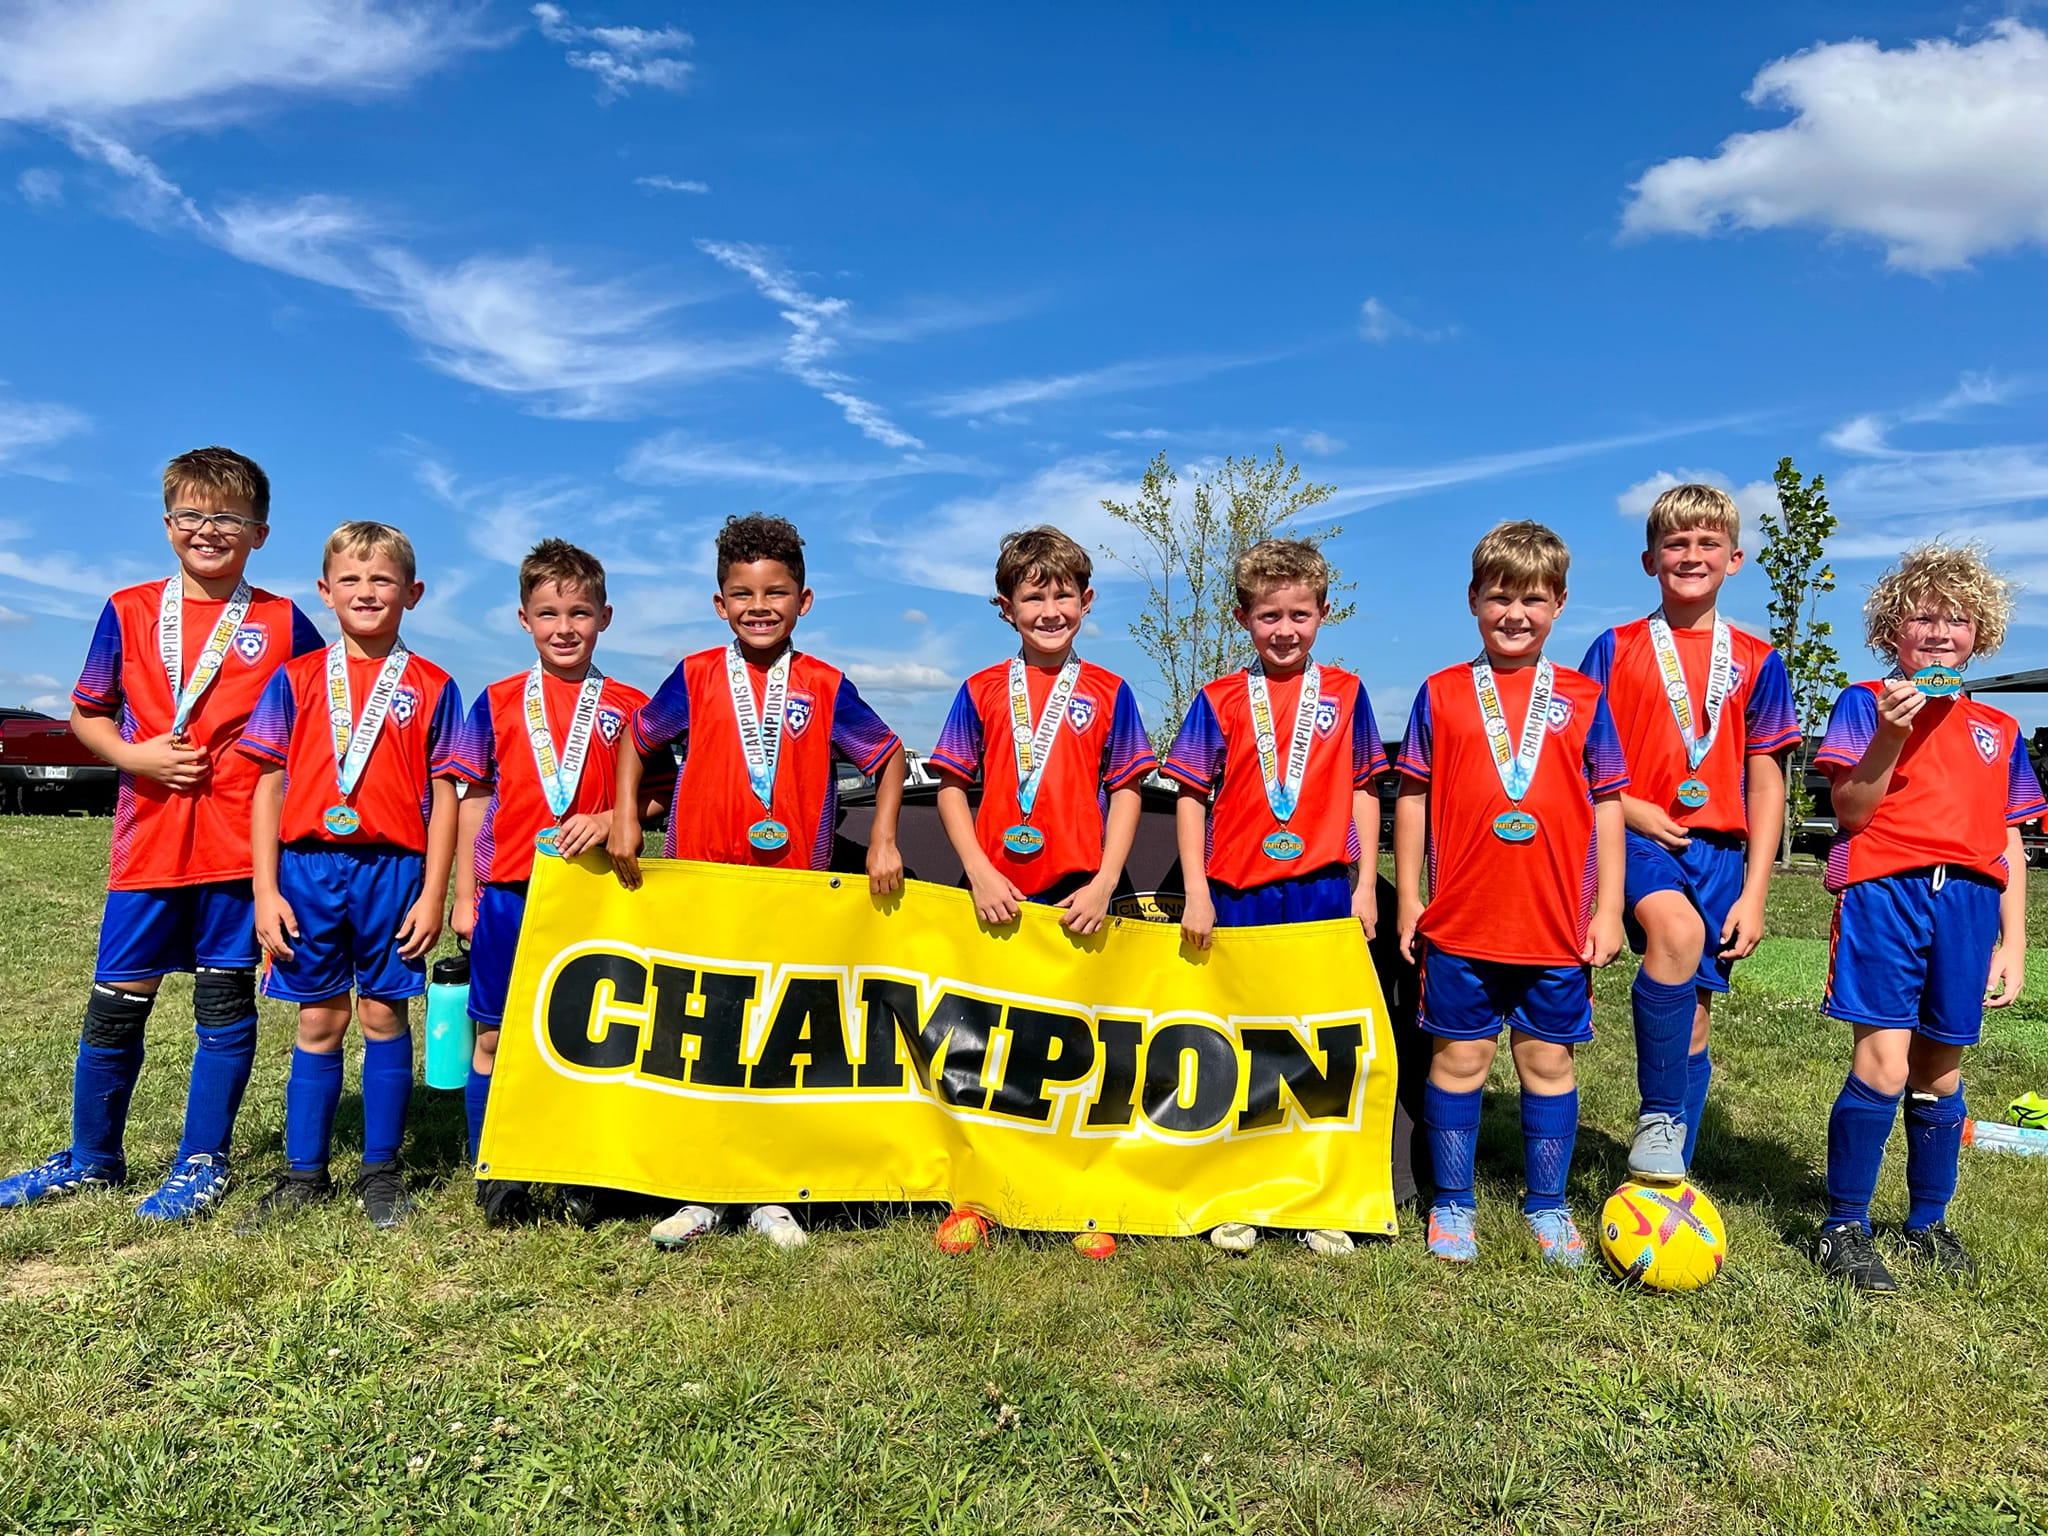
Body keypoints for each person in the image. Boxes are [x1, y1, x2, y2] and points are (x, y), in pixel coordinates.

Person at [0, 449, 323, 1221]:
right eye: (191, 514)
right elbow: (88, 713)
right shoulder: (129, 608)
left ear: (260, 532)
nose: (208, 530)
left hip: (238, 847)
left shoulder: (283, 621)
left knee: (222, 1004)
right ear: (168, 522)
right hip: (148, 843)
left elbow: (328, 710)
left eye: (228, 518)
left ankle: (201, 1162)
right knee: (116, 1003)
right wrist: (132, 755)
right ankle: (92, 1159)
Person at [608, 513, 906, 1252]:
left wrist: (884, 840)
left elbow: (890, 757)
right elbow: (635, 742)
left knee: (774, 1035)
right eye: (742, 594)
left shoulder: (826, 685)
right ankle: (700, 1189)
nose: (759, 606)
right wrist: (624, 819)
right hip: (702, 885)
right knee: (702, 1032)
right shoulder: (695, 675)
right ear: (720, 604)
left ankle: (771, 1191)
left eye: (775, 592)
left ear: (804, 601)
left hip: (792, 891)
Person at [1395, 521, 1627, 1267]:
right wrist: (1409, 899)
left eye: (1533, 599)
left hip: (1554, 927)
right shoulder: (1440, 694)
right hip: (1461, 924)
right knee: (1458, 1062)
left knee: (1548, 1065)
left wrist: (1609, 908)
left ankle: (1548, 1205)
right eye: (1499, 598)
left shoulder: (1585, 698)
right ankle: (1453, 1203)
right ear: (1473, 600)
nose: (1515, 614)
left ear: (1559, 603)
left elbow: (1609, 805)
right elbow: (1411, 798)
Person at [1809, 542, 2041, 1291]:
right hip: (1887, 892)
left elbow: (2010, 841)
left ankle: (1928, 1220)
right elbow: (1850, 809)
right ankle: (1844, 1225)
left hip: (1969, 904)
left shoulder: (1999, 728)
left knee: (1941, 1066)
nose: (1940, 632)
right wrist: (1891, 732)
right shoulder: (1863, 701)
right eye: (1923, 617)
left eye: (1958, 619)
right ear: (1891, 632)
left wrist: (2014, 940)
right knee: (1882, 1062)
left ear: (1982, 634)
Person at [925, 525, 1158, 1259]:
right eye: (1033, 598)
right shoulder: (980, 690)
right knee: (987, 1050)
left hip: (1078, 896)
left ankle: (1085, 1198)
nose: (1049, 611)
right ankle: (979, 1198)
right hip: (995, 894)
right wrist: (979, 870)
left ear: (1086, 601)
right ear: (1006, 608)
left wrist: (1106, 880)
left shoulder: (1110, 692)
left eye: (1063, 596)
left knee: (1082, 1050)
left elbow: (1127, 790)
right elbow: (951, 787)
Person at [1162, 538, 1387, 1257]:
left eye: (1299, 614)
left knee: (1322, 1041)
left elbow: (1363, 789)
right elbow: (1190, 797)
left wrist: (1364, 886)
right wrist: (1196, 891)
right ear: (1242, 618)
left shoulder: (1347, 694)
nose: (1284, 630)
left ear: (1323, 613)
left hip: (1321, 889)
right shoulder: (1219, 699)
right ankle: (1242, 1189)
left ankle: (1321, 1194)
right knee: (1241, 1039)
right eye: (1268, 616)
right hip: (1238, 891)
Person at [236, 521, 462, 1230]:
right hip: (307, 870)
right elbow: (268, 784)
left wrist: (433, 893)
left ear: (412, 593)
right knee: (318, 1017)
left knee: (383, 1013)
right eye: (352, 579)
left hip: (394, 871)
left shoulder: (433, 685)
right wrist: (265, 889)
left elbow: (447, 796)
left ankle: (382, 1172)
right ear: (325, 590)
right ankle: (303, 1173)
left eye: (382, 579)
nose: (366, 592)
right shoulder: (296, 678)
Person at [1578, 483, 1799, 1178]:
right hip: (1635, 837)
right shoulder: (1614, 648)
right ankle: (1657, 1115)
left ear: (1735, 559)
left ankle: (1667, 1176)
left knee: (1696, 1021)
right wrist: (1630, 807)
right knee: (1676, 932)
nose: (1692, 555)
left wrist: (1755, 894)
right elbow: (1576, 758)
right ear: (1651, 560)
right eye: (1676, 543)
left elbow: (1766, 782)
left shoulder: (1758, 660)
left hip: (1719, 852)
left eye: (1709, 543)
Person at [447, 539, 653, 1226]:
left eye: (580, 613)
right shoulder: (498, 700)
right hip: (509, 894)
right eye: (548, 614)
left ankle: (578, 1169)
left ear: (605, 618)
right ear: (523, 619)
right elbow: (473, 797)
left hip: (597, 894)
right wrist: (465, 896)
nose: (565, 628)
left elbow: (659, 793)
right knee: (496, 1035)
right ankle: (497, 1165)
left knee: (590, 1038)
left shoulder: (631, 705)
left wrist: (610, 816)